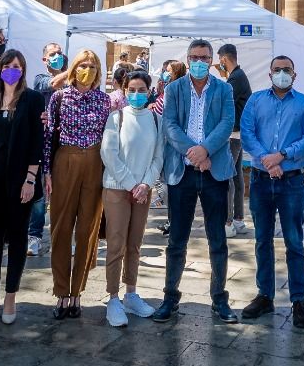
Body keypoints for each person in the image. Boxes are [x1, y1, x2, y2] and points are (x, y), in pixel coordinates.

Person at [153, 38, 238, 323]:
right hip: (182, 172)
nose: (199, 62)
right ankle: (169, 298)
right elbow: (170, 125)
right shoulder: (175, 89)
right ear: (187, 60)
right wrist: (195, 151)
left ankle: (219, 299)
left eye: (204, 57)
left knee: (218, 239)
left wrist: (206, 151)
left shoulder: (224, 88)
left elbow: (227, 123)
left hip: (214, 173)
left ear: (211, 60)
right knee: (177, 240)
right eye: (194, 57)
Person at [240, 55, 304, 327]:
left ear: (294, 75)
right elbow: (247, 133)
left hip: (291, 181)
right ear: (269, 73)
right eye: (277, 70)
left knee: (294, 242)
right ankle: (265, 295)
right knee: (262, 239)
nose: (282, 73)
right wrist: (267, 160)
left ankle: (298, 300)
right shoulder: (256, 100)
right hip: (262, 180)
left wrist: (282, 156)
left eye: (286, 70)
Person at [0, 49, 44, 325]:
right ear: (0, 68)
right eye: (7, 65)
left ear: (23, 69)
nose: (12, 70)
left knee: (17, 237)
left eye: (17, 66)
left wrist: (31, 179)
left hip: (21, 178)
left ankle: (11, 295)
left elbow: (37, 142)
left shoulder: (32, 99)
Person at [45, 48, 111, 319]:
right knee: (61, 227)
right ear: (73, 68)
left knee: (87, 229)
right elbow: (49, 136)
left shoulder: (104, 101)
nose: (87, 69)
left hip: (95, 163)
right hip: (65, 161)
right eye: (83, 64)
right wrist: (47, 171)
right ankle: (61, 290)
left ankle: (77, 292)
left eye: (92, 65)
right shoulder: (59, 98)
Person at [100, 71, 163, 327]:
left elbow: (158, 156)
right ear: (124, 91)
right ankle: (113, 297)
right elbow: (109, 153)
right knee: (116, 243)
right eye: (131, 90)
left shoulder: (156, 120)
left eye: (141, 90)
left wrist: (145, 184)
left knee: (135, 243)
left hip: (142, 192)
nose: (136, 94)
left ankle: (131, 292)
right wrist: (130, 183)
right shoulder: (117, 117)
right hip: (117, 188)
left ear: (149, 91)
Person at [26, 42, 66, 257]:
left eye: (60, 53)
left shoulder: (72, 85)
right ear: (44, 59)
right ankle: (34, 236)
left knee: (63, 192)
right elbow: (52, 83)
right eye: (53, 54)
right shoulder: (40, 79)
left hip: (64, 143)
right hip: (43, 144)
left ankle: (63, 236)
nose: (57, 56)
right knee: (39, 194)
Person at [219, 43, 252, 236]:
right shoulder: (238, 76)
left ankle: (228, 221)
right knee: (237, 177)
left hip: (232, 135)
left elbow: (223, 100)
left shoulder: (235, 79)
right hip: (237, 135)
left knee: (227, 178)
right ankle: (239, 220)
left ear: (223, 59)